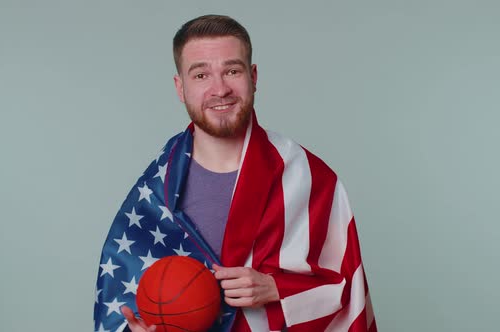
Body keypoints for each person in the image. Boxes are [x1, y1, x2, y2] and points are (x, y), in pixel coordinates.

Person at [94, 15, 377, 332]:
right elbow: (123, 297)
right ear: (180, 87)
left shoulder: (311, 179)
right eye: (201, 75)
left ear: (253, 77)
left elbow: (348, 293)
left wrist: (276, 289)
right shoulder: (155, 190)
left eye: (232, 70)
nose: (220, 89)